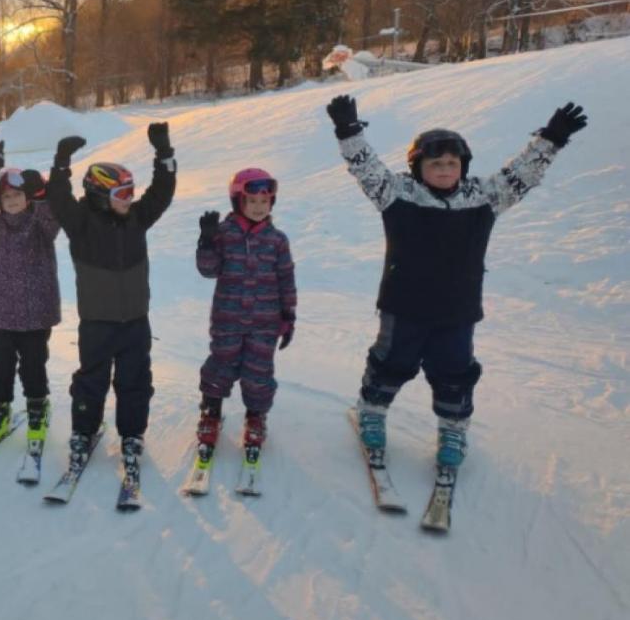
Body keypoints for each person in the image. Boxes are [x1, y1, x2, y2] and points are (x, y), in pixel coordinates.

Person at [326, 94, 588, 467]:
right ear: (418, 167)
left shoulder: (483, 198)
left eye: (453, 163)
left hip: (458, 309)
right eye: (436, 163)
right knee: (391, 362)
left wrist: (552, 139)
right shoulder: (397, 195)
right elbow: (365, 167)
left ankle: (453, 428)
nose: (446, 169)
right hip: (404, 306)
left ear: (463, 166)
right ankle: (371, 411)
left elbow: (523, 173)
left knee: (455, 371)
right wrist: (348, 130)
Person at [46, 124, 176, 477]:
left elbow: (162, 194)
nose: (130, 199)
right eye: (122, 193)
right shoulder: (81, 223)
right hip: (97, 324)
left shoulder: (137, 219)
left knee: (135, 381)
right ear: (101, 194)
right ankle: (83, 432)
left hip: (135, 322)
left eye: (131, 192)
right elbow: (58, 198)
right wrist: (60, 163)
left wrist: (164, 155)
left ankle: (133, 435)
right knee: (92, 380)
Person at [0, 129, 61, 447]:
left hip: (36, 314)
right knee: (1, 367)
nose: (13, 201)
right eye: (6, 197)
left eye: (18, 196)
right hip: (2, 314)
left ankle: (37, 408)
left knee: (34, 366)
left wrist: (43, 194)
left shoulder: (41, 225)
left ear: (28, 197)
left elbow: (53, 214)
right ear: (0, 201)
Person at [195, 168, 297, 455]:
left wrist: (288, 316)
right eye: (252, 202)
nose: (258, 208)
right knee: (221, 364)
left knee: (258, 371)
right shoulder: (224, 234)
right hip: (227, 318)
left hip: (265, 322)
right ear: (238, 201)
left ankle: (256, 417)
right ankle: (211, 413)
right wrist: (206, 242)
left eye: (264, 202)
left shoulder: (277, 240)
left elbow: (286, 279)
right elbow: (208, 270)